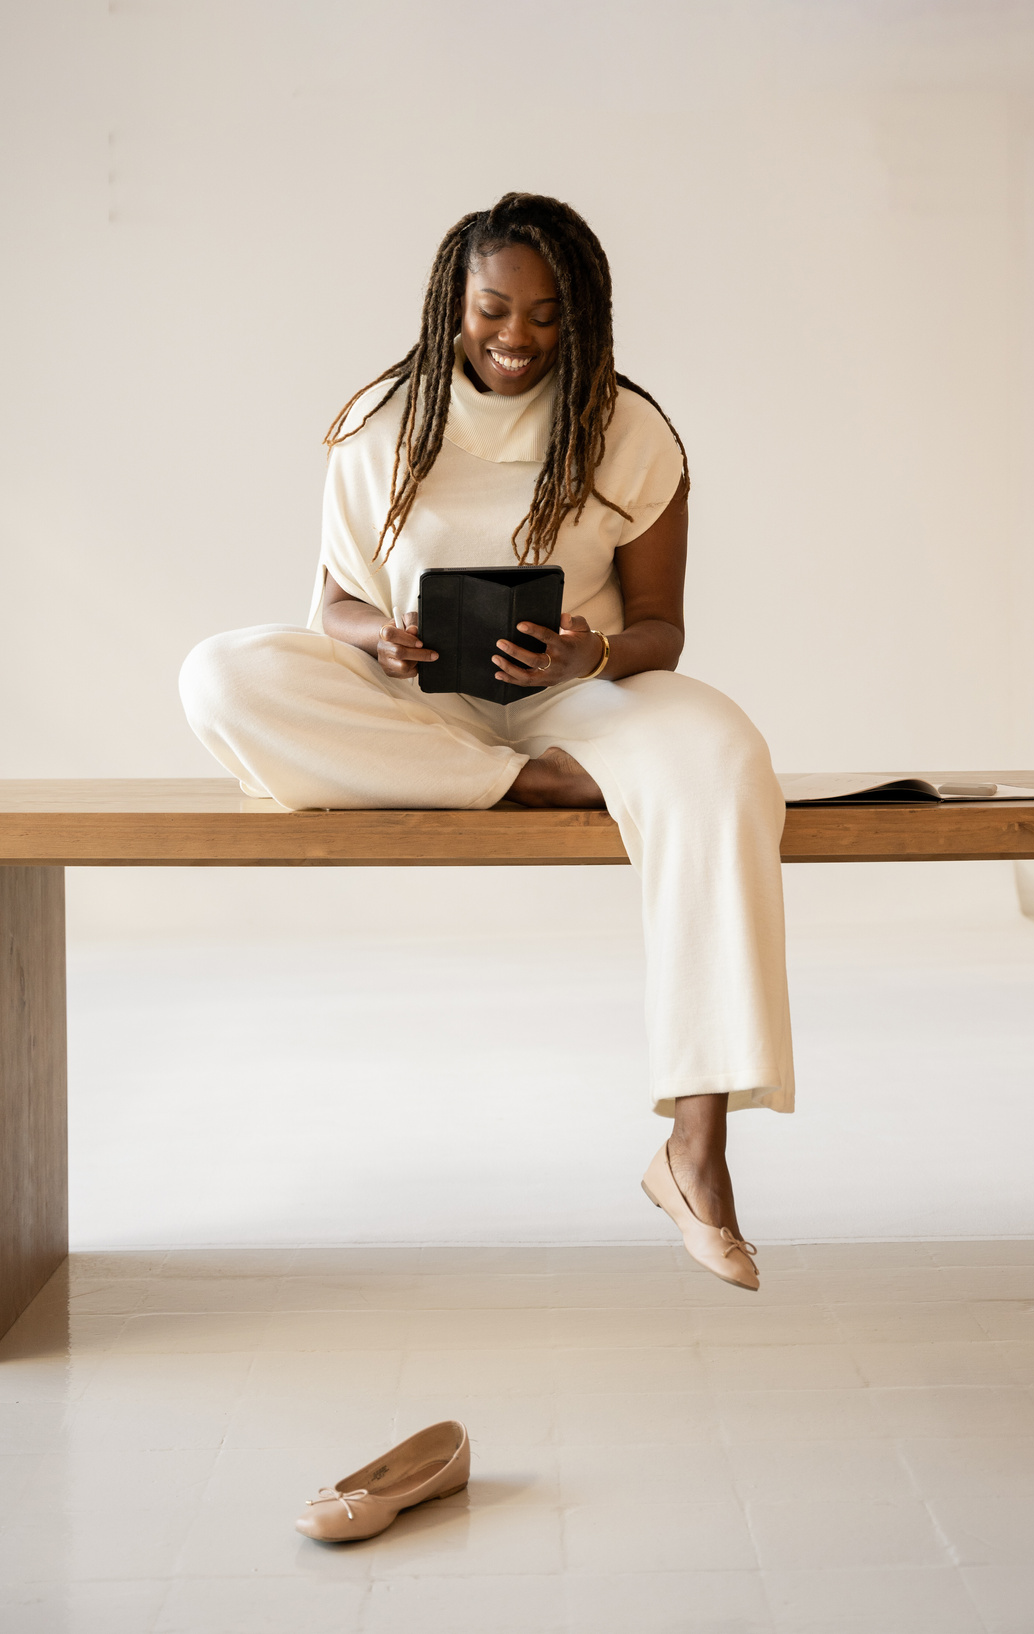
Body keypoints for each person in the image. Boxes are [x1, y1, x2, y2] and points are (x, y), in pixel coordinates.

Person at [180, 193, 793, 1291]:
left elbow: (662, 628)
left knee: (725, 758)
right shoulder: (381, 419)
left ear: (584, 319)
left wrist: (587, 655)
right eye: (494, 309)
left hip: (576, 702)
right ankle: (515, 785)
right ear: (450, 306)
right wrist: (384, 636)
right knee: (224, 673)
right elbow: (329, 603)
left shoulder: (628, 426)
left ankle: (695, 1148)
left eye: (548, 316)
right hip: (423, 707)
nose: (517, 338)